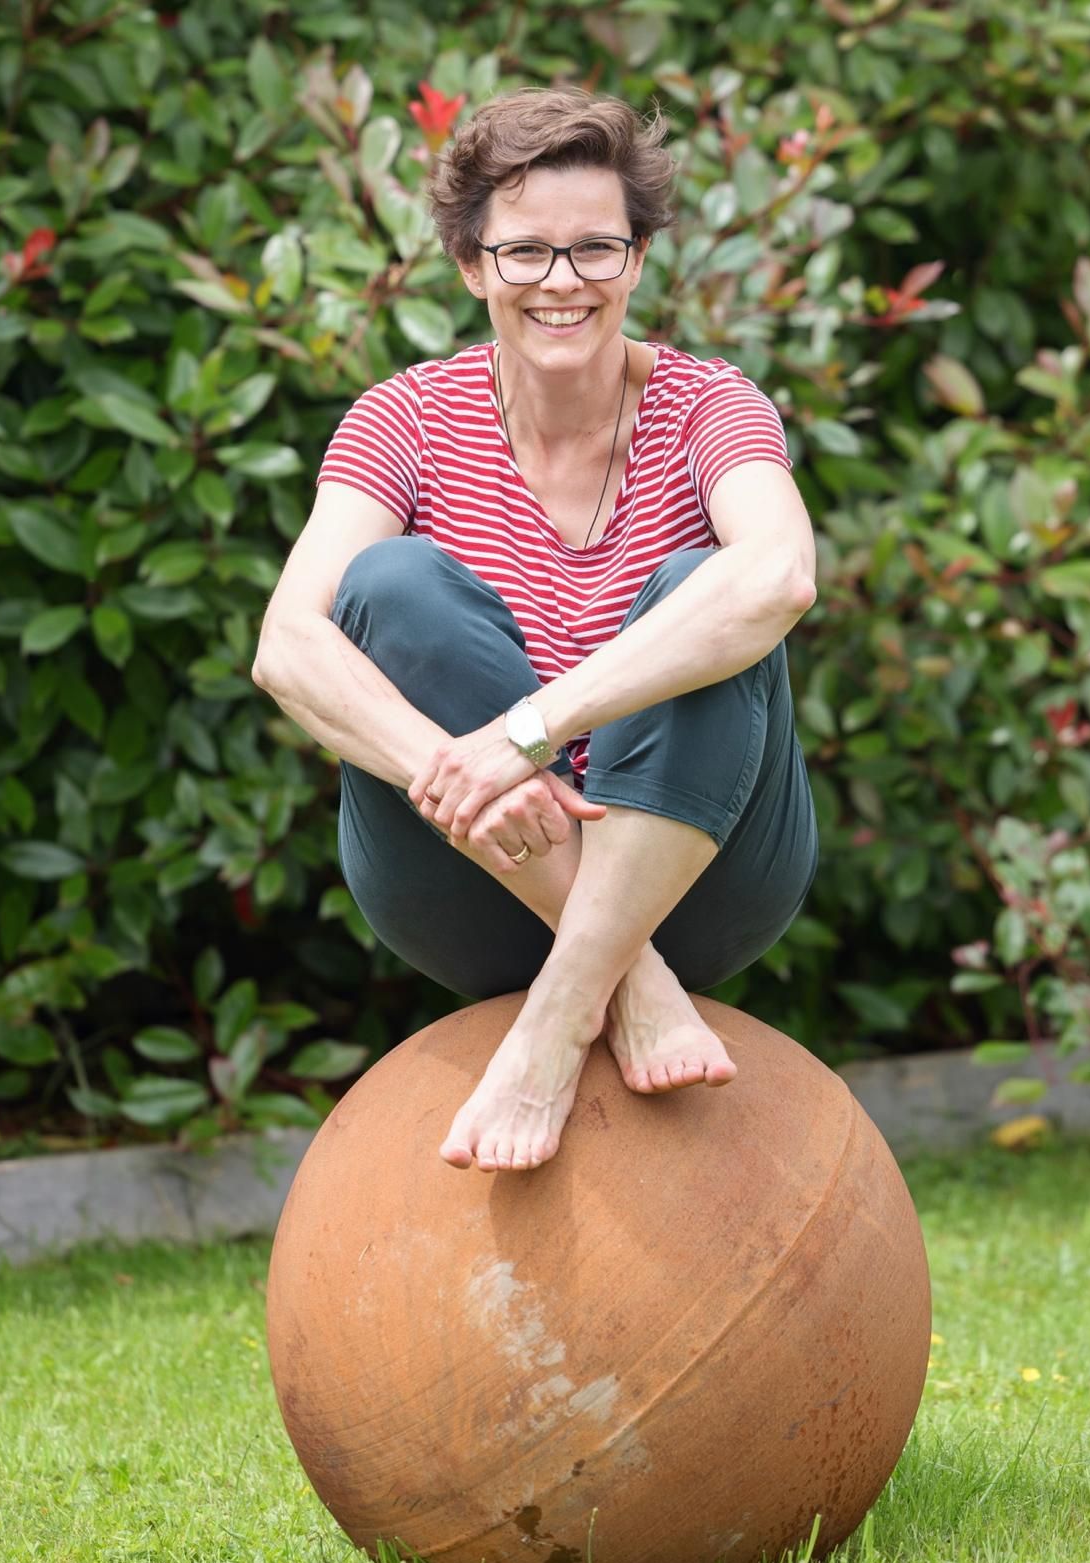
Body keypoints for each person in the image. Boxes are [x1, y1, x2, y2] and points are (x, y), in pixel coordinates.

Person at [251, 86, 818, 1175]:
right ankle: (625, 978)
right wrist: (453, 766)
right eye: (524, 254)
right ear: (472, 266)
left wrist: (529, 729)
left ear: (639, 259)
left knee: (715, 584)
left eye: (595, 249)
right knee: (393, 584)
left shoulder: (711, 404)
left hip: (707, 874)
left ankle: (560, 1015)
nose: (561, 283)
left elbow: (782, 576)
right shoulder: (403, 418)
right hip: (467, 880)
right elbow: (288, 645)